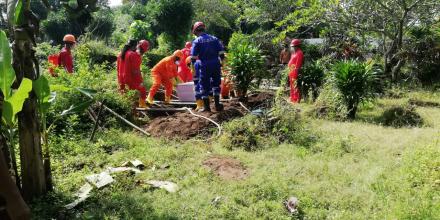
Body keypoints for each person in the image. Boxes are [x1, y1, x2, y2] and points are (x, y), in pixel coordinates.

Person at [190, 21, 225, 112]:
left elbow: (193, 57)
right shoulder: (214, 38)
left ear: (195, 31)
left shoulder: (197, 41)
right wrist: (222, 62)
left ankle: (207, 107)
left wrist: (193, 67)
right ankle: (217, 105)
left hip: (205, 65)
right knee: (216, 84)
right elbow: (221, 53)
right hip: (216, 64)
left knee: (204, 86)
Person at [124, 40, 150, 108]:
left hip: (126, 77)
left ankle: (130, 106)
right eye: (142, 50)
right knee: (143, 90)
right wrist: (140, 81)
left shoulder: (128, 53)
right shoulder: (134, 55)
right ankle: (142, 105)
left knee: (129, 93)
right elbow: (135, 71)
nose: (143, 52)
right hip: (131, 78)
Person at [288, 39, 304, 103]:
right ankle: (292, 98)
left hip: (295, 72)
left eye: (293, 46)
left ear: (297, 46)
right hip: (291, 71)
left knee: (296, 86)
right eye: (292, 47)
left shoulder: (299, 53)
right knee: (292, 86)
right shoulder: (294, 53)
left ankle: (297, 99)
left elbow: (298, 64)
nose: (292, 48)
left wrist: (296, 72)